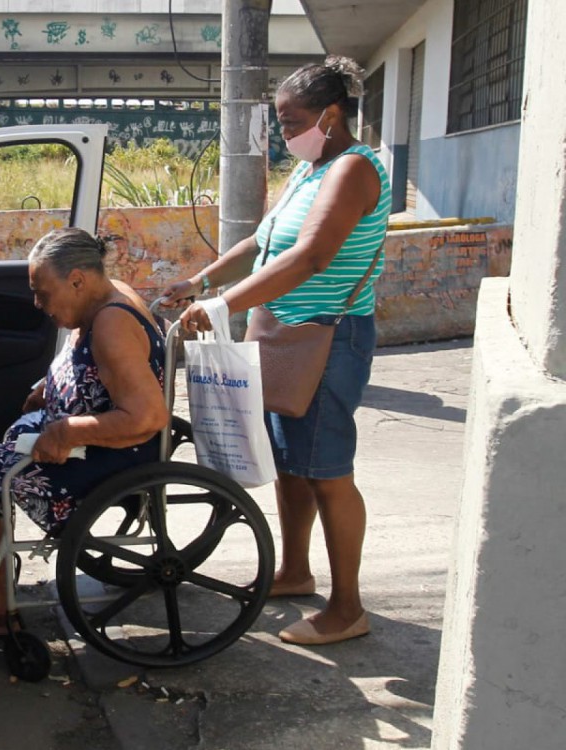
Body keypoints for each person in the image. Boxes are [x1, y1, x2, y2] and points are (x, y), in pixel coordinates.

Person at [161, 56, 391, 646]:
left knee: (327, 472)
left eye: (292, 121)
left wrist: (223, 306)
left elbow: (311, 256)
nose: (285, 133)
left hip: (326, 338)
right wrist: (200, 282)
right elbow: (260, 243)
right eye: (282, 122)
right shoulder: (310, 172)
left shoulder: (353, 168)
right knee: (291, 462)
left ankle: (348, 608)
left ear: (331, 115)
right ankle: (294, 571)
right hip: (283, 337)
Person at [0, 228, 169, 637]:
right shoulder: (107, 296)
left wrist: (68, 431)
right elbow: (97, 371)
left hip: (106, 456)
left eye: (43, 294)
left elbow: (148, 416)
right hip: (88, 443)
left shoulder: (112, 324)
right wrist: (50, 387)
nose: (38, 305)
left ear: (77, 280)